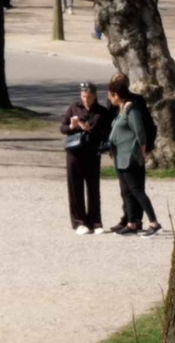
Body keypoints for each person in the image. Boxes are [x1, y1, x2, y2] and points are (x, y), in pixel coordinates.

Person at [105, 76, 159, 237]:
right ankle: (131, 223)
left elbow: (140, 133)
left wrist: (142, 152)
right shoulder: (120, 109)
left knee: (136, 190)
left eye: (110, 94)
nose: (108, 97)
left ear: (116, 94)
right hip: (119, 157)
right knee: (126, 191)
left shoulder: (131, 109)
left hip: (130, 157)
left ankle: (154, 223)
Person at [61, 81, 108, 235]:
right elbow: (63, 128)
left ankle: (95, 221)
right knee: (75, 188)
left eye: (88, 97)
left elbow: (106, 133)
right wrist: (73, 127)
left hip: (92, 153)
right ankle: (79, 222)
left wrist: (90, 129)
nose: (86, 100)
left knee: (93, 188)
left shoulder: (101, 112)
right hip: (75, 153)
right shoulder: (74, 107)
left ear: (94, 96)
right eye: (83, 96)